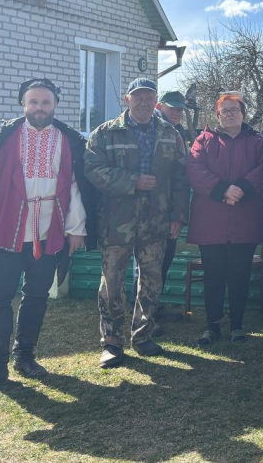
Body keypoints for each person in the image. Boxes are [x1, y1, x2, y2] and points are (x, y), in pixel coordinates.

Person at [0, 79, 93, 395]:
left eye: (46, 102)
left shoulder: (68, 140)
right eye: (33, 102)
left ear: (55, 105)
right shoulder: (2, 137)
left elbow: (75, 187)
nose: (39, 108)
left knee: (37, 296)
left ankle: (24, 356)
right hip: (4, 231)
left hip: (48, 232)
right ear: (23, 104)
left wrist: (76, 229)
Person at [85, 78, 189, 369]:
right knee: (112, 282)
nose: (143, 102)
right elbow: (93, 169)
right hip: (117, 220)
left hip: (157, 218)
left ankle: (143, 335)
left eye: (148, 97)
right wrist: (132, 182)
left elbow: (181, 178)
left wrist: (178, 216)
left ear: (155, 102)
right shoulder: (105, 133)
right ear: (127, 100)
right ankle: (112, 342)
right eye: (138, 97)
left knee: (152, 279)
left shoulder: (170, 134)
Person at [187, 92, 263, 345]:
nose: (230, 114)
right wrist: (223, 189)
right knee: (213, 275)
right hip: (211, 221)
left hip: (245, 219)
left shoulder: (259, 142)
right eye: (225, 111)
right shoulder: (203, 140)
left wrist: (241, 188)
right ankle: (212, 326)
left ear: (243, 114)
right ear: (217, 115)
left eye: (235, 110)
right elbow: (194, 169)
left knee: (240, 275)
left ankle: (237, 326)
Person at [128, 89, 195, 326]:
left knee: (163, 261)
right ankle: (141, 314)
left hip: (166, 212)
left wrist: (178, 215)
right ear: (160, 106)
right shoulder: (141, 129)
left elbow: (181, 178)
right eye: (172, 108)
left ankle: (153, 307)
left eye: (180, 109)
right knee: (144, 266)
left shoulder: (175, 133)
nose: (176, 112)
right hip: (137, 212)